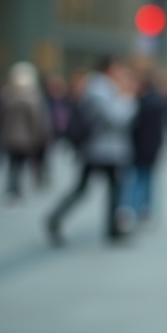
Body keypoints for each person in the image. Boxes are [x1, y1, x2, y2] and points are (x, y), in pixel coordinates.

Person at [46, 55, 136, 245]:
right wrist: (128, 98)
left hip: (107, 150)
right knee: (85, 189)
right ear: (109, 69)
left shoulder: (104, 88)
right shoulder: (99, 89)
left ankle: (112, 229)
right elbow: (116, 118)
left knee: (110, 189)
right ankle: (54, 219)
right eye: (118, 68)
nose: (121, 73)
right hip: (100, 150)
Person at [0, 61, 50, 204]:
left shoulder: (7, 95)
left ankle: (11, 188)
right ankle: (16, 189)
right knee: (20, 164)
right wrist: (38, 136)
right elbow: (36, 120)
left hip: (9, 137)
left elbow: (0, 117)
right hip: (26, 138)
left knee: (12, 164)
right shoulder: (33, 96)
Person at [125, 71, 165, 221]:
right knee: (148, 178)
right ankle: (145, 208)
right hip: (152, 146)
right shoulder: (157, 101)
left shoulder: (138, 102)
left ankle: (134, 208)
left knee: (137, 178)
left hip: (139, 146)